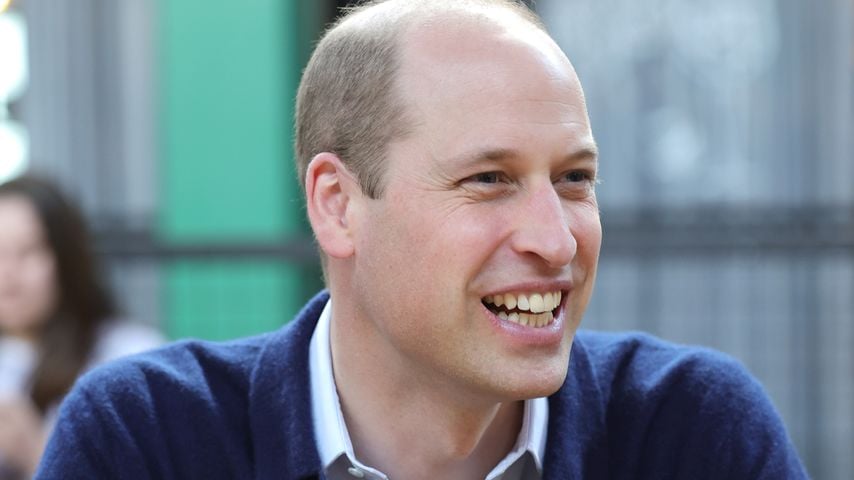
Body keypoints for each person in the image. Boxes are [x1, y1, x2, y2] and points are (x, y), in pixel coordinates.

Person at [37, 1, 808, 478]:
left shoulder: (693, 432)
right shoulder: (144, 443)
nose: (556, 240)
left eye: (574, 178)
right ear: (338, 205)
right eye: (489, 179)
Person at [0, 175, 163, 479]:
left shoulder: (128, 356)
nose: (8, 273)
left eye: (27, 251)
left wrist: (35, 452)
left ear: (67, 258)